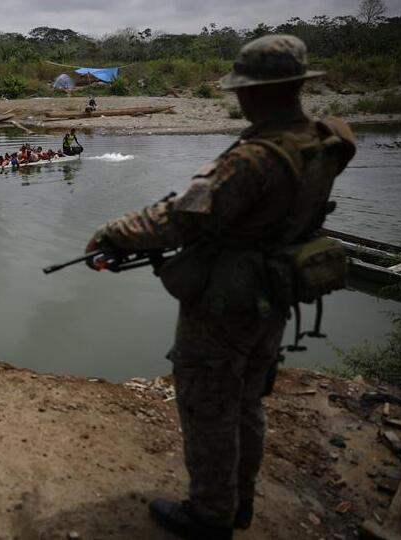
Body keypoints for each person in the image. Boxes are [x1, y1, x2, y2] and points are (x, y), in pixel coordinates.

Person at [84, 35, 355, 540]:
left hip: (228, 298)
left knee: (209, 403)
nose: (239, 99)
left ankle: (209, 516)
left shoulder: (253, 158)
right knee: (248, 398)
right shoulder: (324, 139)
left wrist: (112, 232)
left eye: (243, 91)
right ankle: (240, 502)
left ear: (256, 93)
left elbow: (179, 218)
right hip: (277, 290)